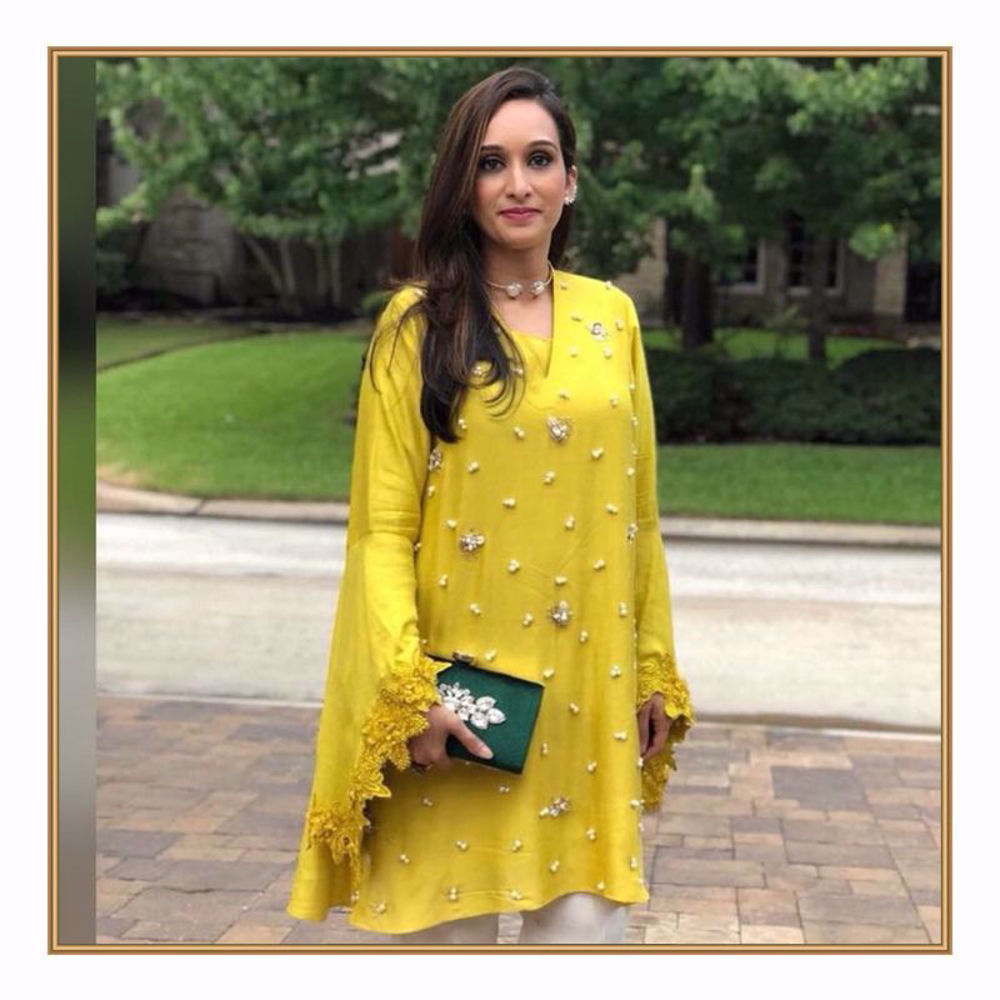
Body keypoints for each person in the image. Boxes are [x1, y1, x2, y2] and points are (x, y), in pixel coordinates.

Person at [285, 65, 695, 946]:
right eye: (490, 162)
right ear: (461, 185)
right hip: (459, 712)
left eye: (538, 159)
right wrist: (408, 688)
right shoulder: (418, 325)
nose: (518, 184)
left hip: (586, 705)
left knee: (586, 941)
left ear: (570, 179)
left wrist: (652, 665)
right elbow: (381, 532)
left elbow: (639, 517)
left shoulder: (612, 318)